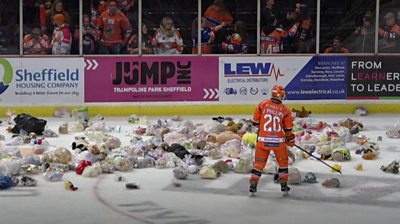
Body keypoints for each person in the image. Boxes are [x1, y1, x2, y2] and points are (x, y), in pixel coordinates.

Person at [249, 85, 295, 196]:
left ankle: (253, 184)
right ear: (282, 95)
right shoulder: (285, 110)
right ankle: (284, 185)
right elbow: (288, 129)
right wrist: (290, 139)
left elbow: (255, 123)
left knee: (259, 164)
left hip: (262, 141)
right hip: (278, 142)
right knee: (283, 163)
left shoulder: (262, 104)